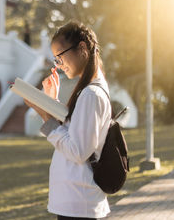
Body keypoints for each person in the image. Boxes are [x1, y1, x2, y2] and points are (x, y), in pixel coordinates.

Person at [24, 20, 112, 220]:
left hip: (79, 203)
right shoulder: (90, 90)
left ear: (82, 48)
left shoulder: (91, 94)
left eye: (61, 57)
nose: (60, 65)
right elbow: (74, 130)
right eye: (56, 60)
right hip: (75, 201)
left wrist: (45, 114)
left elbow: (78, 151)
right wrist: (52, 102)